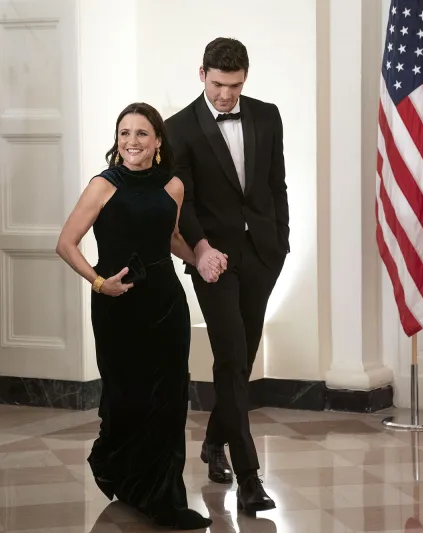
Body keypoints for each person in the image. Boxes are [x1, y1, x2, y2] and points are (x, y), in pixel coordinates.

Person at [56, 103, 216, 530]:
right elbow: (66, 243)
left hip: (165, 303)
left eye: (142, 134)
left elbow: (173, 237)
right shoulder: (102, 186)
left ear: (158, 141)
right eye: (124, 133)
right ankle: (122, 473)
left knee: (167, 400)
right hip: (117, 305)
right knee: (126, 398)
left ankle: (165, 498)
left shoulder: (173, 186)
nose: (132, 142)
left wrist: (201, 257)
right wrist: (98, 282)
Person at [165, 37, 289, 515]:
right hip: (212, 259)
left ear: (246, 77)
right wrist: (200, 251)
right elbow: (186, 203)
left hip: (262, 253)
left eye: (235, 85)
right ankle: (250, 478)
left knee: (241, 360)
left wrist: (281, 242)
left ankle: (215, 439)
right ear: (202, 75)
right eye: (218, 84)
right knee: (231, 354)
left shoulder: (266, 115)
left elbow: (276, 183)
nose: (225, 96)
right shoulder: (177, 129)